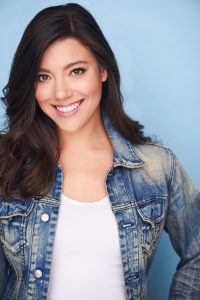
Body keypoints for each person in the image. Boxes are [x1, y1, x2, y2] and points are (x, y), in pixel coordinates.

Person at [0, 3, 200, 300]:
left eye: (76, 71)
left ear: (103, 70)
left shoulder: (156, 167)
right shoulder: (7, 161)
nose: (61, 93)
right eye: (43, 76)